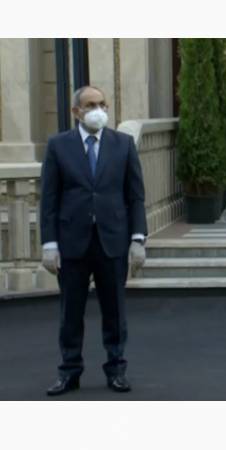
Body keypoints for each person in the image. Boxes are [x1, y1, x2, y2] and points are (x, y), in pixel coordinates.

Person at [40, 86, 147, 396]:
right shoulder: (58, 145)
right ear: (76, 112)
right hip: (72, 242)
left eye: (102, 103)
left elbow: (135, 195)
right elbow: (49, 198)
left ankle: (116, 370)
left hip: (112, 241)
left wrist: (138, 238)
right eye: (90, 105)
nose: (98, 110)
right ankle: (69, 372)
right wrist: (49, 244)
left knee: (114, 312)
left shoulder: (123, 144)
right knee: (70, 313)